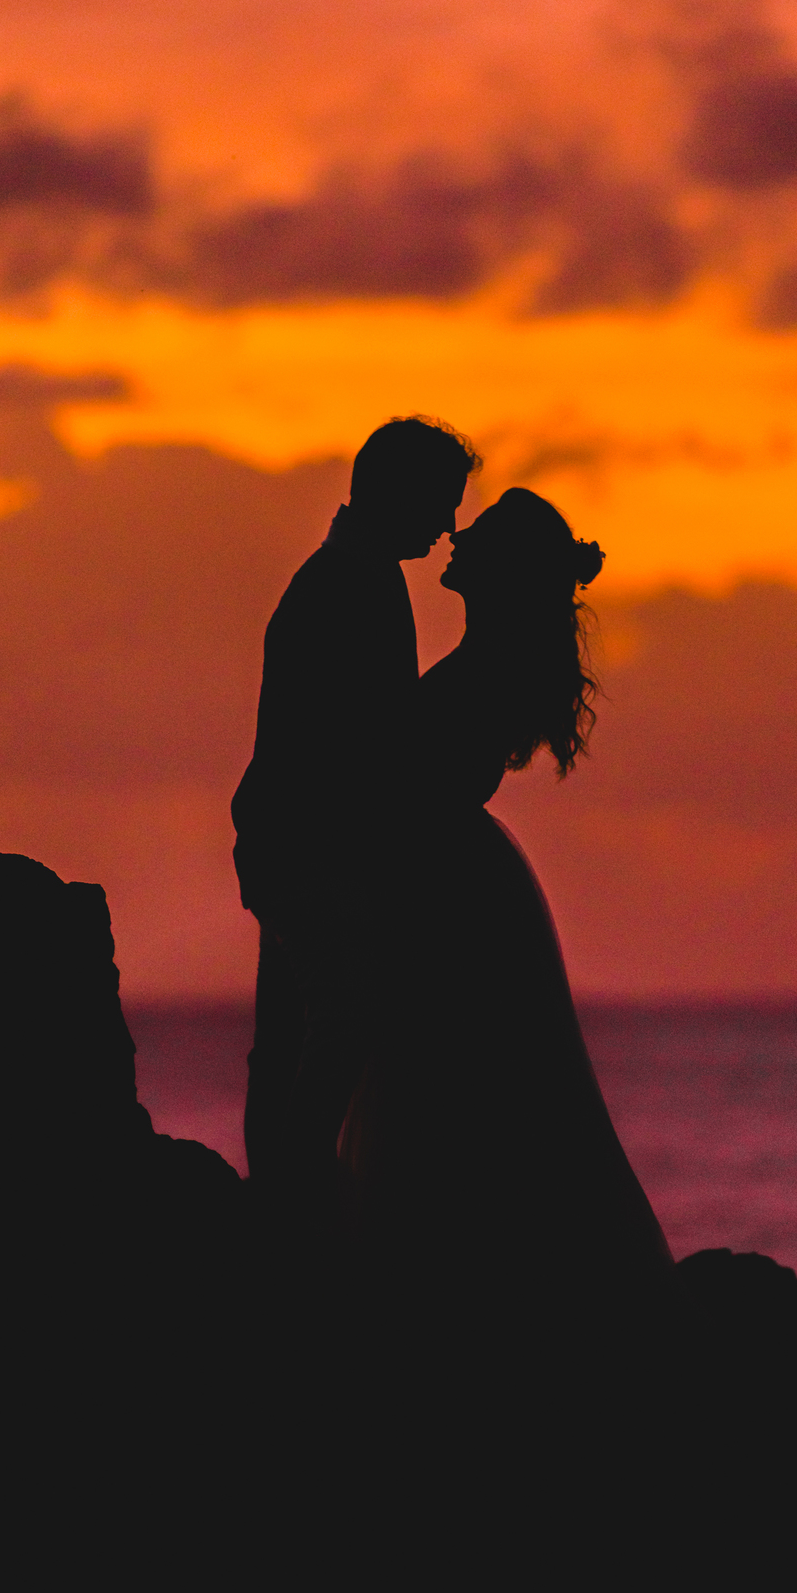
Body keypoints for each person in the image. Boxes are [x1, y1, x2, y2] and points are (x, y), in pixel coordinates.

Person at [340, 487, 673, 1343]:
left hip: (455, 895)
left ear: (501, 569)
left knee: (473, 1091)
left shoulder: (483, 671)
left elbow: (407, 783)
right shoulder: (486, 662)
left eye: (478, 532)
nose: (459, 531)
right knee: (485, 1092)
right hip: (457, 883)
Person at [232, 414, 481, 1202]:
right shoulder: (352, 582)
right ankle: (294, 1190)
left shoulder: (351, 574)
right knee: (337, 1019)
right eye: (440, 503)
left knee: (293, 1029)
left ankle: (280, 1190)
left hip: (294, 843)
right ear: (397, 493)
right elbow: (360, 739)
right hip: (314, 848)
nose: (448, 525)